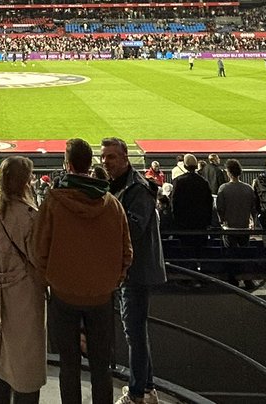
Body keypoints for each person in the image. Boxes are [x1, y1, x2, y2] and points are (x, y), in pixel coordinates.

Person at [33, 137, 132, 404]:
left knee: (69, 365)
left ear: (67, 164)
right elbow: (127, 252)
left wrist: (48, 280)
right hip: (101, 297)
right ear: (91, 164)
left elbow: (38, 248)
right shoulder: (112, 203)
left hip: (64, 296)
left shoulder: (54, 201)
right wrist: (112, 281)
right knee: (102, 366)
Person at [100, 137, 167, 404]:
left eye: (111, 157)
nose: (106, 161)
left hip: (135, 271)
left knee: (134, 333)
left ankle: (137, 394)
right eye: (103, 157)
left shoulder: (137, 189)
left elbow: (132, 230)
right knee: (136, 331)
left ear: (126, 158)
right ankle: (147, 388)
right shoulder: (121, 186)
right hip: (130, 269)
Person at [0, 155, 46, 404]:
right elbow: (40, 257)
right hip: (24, 295)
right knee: (25, 364)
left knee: (0, 357)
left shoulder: (0, 203)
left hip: (1, 290)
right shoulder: (28, 216)